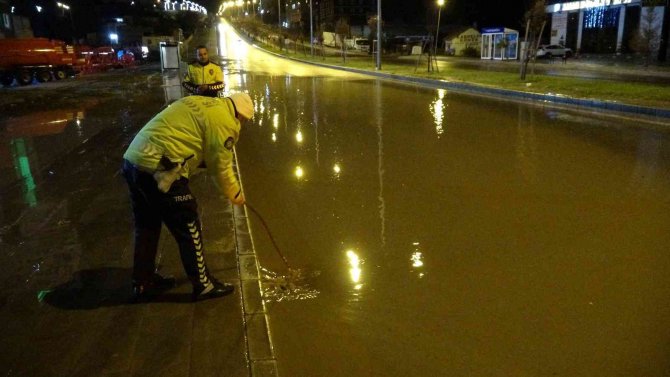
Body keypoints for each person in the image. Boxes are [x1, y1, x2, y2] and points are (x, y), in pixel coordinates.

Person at [122, 92, 254, 301]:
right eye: (245, 121)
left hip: (134, 160)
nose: (243, 125)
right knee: (188, 224)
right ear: (241, 116)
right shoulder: (226, 122)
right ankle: (203, 285)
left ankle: (142, 281)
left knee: (147, 225)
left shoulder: (203, 103)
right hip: (161, 169)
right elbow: (221, 165)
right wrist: (235, 193)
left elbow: (194, 142)